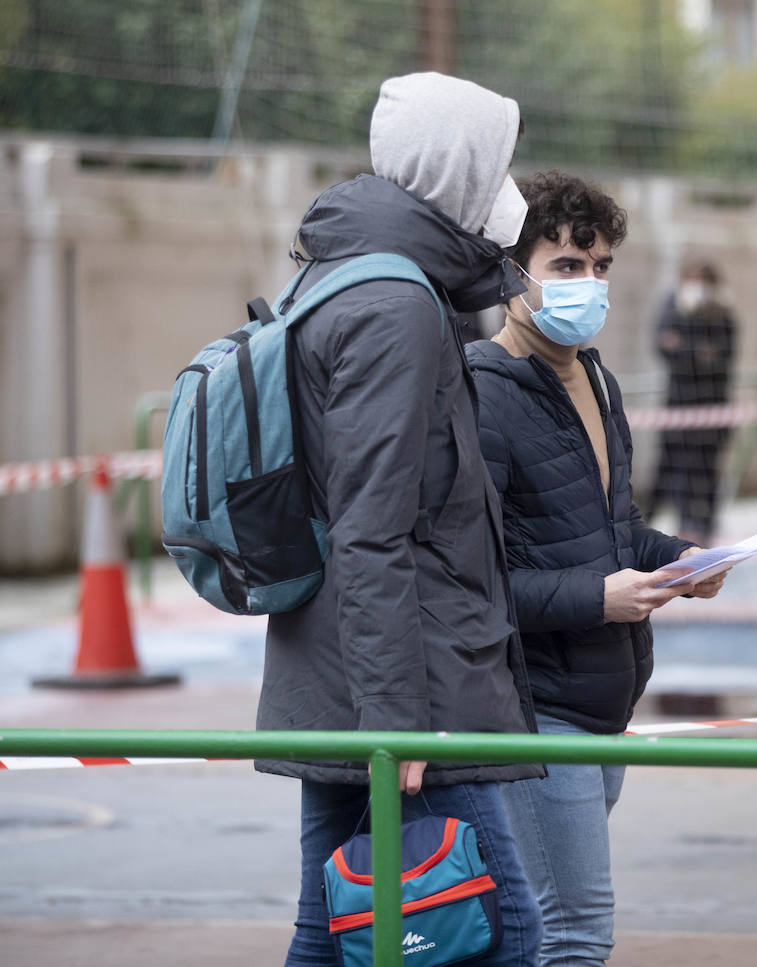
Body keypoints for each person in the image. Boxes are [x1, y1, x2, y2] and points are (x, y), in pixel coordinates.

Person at [254, 73, 543, 967]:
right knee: (509, 930)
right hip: (404, 685)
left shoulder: (344, 276)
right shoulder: (397, 307)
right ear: (456, 171)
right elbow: (373, 528)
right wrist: (394, 724)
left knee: (333, 925)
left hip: (340, 663)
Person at [466, 170, 728, 967]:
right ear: (513, 274)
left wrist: (680, 558)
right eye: (566, 267)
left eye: (602, 265)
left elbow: (612, 530)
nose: (589, 284)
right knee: (575, 932)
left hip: (607, 697)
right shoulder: (482, 390)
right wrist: (595, 598)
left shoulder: (599, 377)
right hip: (535, 708)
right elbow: (470, 581)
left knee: (536, 928)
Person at [646, 261, 737, 544]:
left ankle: (705, 526)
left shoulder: (722, 314)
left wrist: (685, 347)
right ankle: (670, 523)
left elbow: (720, 356)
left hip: (712, 408)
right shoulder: (673, 308)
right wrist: (696, 352)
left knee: (707, 472)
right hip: (678, 407)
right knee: (672, 469)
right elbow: (663, 346)